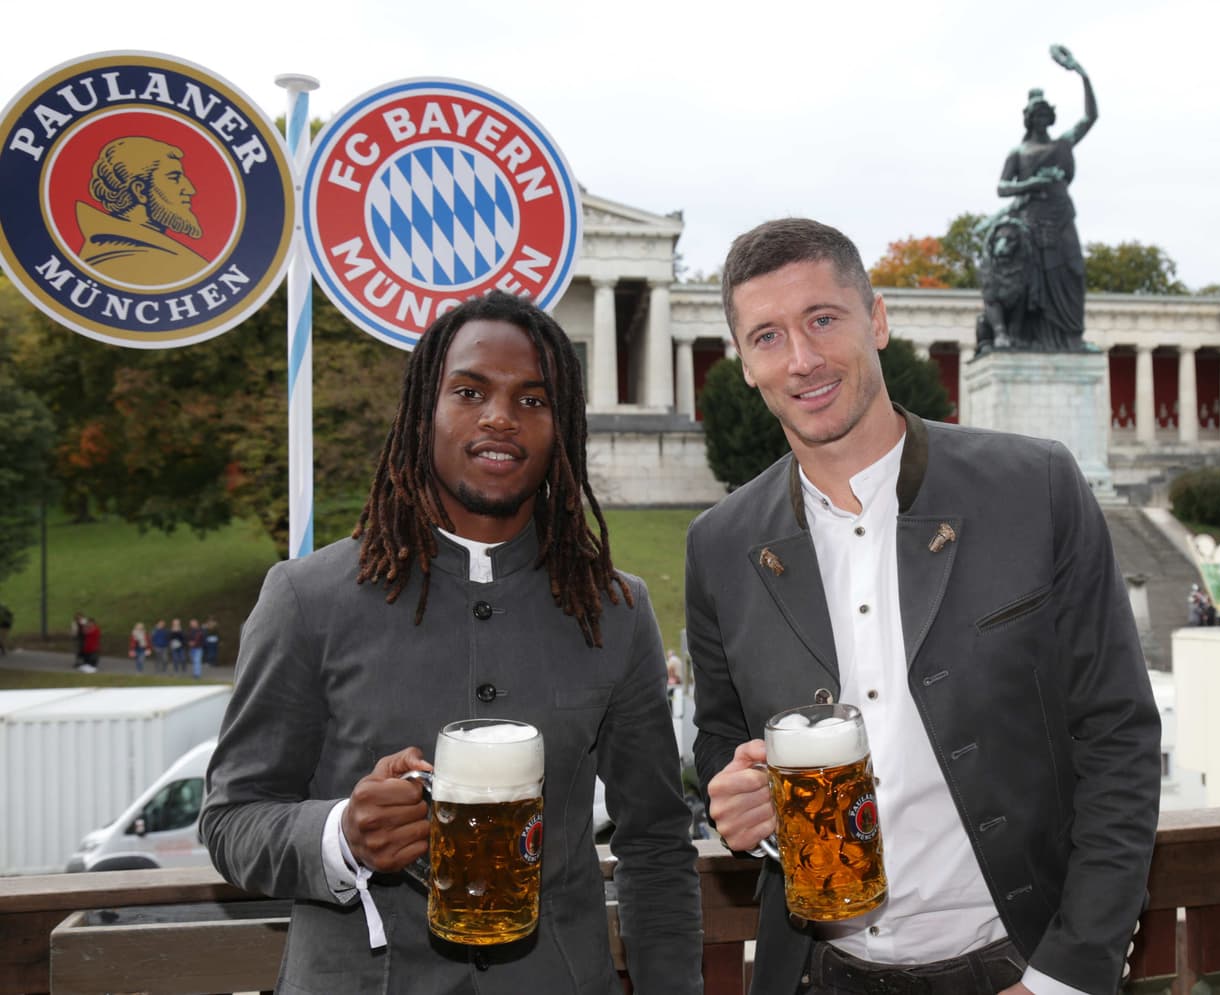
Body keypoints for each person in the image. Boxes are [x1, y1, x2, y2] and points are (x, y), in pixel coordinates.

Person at [685, 218, 1161, 995]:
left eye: (822, 320)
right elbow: (721, 744)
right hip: (820, 974)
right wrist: (734, 799)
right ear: (743, 363)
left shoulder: (1033, 487)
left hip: (1016, 967)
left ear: (877, 319)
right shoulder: (719, 545)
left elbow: (1118, 733)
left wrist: (1066, 977)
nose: (801, 359)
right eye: (767, 336)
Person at [200, 291, 702, 994]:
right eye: (469, 391)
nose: (500, 416)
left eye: (533, 399)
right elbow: (232, 820)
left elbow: (654, 840)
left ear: (563, 429)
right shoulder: (305, 599)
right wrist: (342, 832)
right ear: (422, 413)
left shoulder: (615, 610)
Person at [991, 45, 1096, 351]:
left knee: (1073, 271)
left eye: (1045, 113)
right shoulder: (1019, 153)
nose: (1042, 117)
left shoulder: (1063, 143)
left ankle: (1071, 337)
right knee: (1036, 284)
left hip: (1062, 214)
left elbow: (1091, 117)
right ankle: (1034, 336)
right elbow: (1001, 188)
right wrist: (1033, 182)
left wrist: (1081, 73)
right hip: (1032, 222)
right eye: (1036, 114)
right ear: (1029, 119)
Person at [77, 137, 209, 285]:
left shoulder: (154, 253)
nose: (190, 190)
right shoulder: (121, 259)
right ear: (139, 191)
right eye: (174, 178)